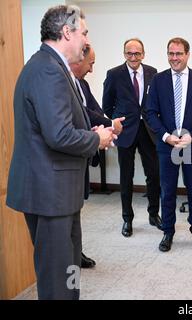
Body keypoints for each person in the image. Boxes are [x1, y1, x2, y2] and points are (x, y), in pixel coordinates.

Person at [6, 5, 115, 299]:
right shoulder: (47, 70)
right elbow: (59, 135)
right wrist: (98, 140)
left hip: (58, 192)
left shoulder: (51, 66)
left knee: (69, 269)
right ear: (67, 32)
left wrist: (90, 133)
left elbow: (58, 127)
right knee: (57, 278)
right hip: (49, 193)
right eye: (85, 33)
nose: (87, 40)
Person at [146, 37, 192, 252]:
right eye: (171, 54)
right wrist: (165, 136)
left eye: (179, 54)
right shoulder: (158, 80)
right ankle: (168, 232)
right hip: (167, 145)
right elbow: (150, 112)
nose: (174, 58)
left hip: (191, 144)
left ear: (187, 55)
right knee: (167, 191)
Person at [70, 45, 125, 268]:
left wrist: (105, 126)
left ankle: (76, 250)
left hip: (81, 154)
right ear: (77, 60)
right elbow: (83, 115)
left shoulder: (81, 83)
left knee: (77, 206)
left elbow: (94, 110)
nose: (92, 69)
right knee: (70, 209)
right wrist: (111, 124)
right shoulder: (63, 83)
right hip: (70, 155)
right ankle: (72, 253)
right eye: (91, 64)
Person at [103, 38, 161, 237]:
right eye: (130, 53)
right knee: (126, 177)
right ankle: (127, 219)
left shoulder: (153, 73)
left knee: (154, 175)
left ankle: (154, 214)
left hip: (148, 132)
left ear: (143, 54)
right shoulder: (114, 74)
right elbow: (107, 105)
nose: (133, 57)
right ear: (124, 54)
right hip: (125, 132)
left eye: (137, 53)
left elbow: (158, 102)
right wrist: (116, 123)